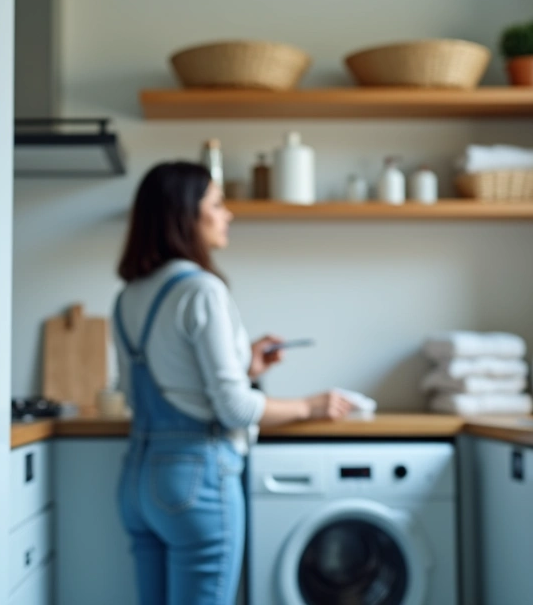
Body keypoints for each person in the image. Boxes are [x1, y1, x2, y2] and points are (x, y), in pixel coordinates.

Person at [113, 161, 353, 605]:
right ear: (185, 215)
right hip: (194, 478)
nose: (229, 215)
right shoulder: (202, 290)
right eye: (218, 204)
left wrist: (247, 369)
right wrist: (310, 406)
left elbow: (146, 389)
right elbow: (235, 410)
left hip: (138, 478)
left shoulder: (128, 295)